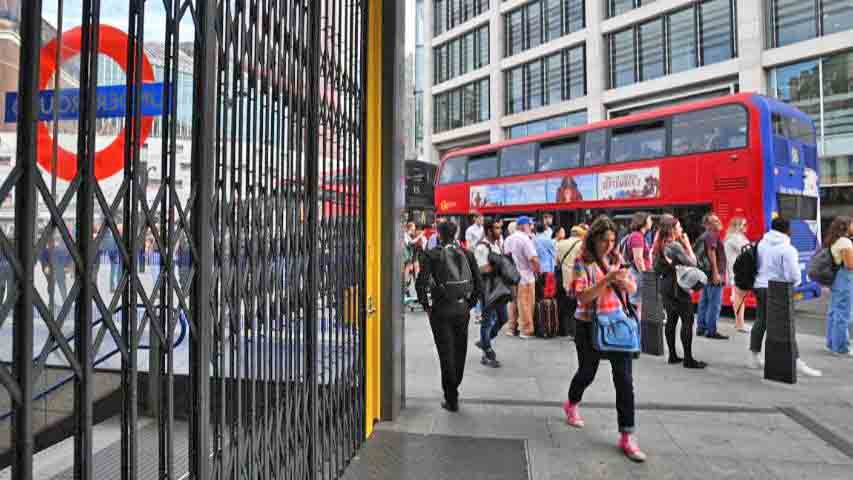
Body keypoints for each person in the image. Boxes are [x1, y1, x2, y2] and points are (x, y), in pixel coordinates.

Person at [563, 215, 646, 462]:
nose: (609, 245)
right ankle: (572, 402)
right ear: (594, 239)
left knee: (624, 379)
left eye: (612, 240)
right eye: (604, 240)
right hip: (588, 325)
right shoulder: (582, 262)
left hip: (617, 324)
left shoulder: (617, 259)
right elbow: (583, 297)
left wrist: (623, 282)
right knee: (587, 372)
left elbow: (632, 289)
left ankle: (627, 435)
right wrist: (607, 280)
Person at [416, 221, 483, 411]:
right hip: (462, 309)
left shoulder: (431, 254)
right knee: (460, 349)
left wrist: (426, 306)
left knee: (445, 353)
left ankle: (451, 397)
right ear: (456, 234)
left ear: (439, 234)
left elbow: (421, 283)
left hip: (440, 310)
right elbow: (479, 284)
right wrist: (469, 305)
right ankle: (455, 383)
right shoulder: (467, 254)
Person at [748, 217, 822, 376]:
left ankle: (754, 357)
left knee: (761, 321)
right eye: (791, 228)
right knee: (786, 326)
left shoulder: (762, 243)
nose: (793, 231)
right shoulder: (788, 249)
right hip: (778, 289)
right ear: (787, 230)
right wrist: (796, 284)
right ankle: (796, 362)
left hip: (760, 286)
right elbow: (794, 275)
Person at [653, 215, 706, 369]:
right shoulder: (674, 245)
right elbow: (693, 262)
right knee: (687, 320)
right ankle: (688, 359)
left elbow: (656, 269)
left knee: (671, 320)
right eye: (679, 227)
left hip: (666, 285)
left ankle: (672, 355)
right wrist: (687, 244)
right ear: (672, 229)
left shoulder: (659, 245)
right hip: (678, 286)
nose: (681, 229)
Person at [474, 218, 508, 367]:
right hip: (487, 289)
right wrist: (498, 265)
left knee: (503, 318)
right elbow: (480, 269)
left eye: (500, 228)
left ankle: (484, 341)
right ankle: (487, 352)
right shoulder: (481, 247)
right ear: (489, 230)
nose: (500, 231)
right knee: (487, 322)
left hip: (499, 288)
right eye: (497, 228)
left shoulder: (497, 244)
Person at [503, 216, 540, 338]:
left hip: (511, 276)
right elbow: (533, 259)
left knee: (513, 303)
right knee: (526, 303)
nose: (531, 227)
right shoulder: (525, 240)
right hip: (526, 277)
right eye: (530, 225)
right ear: (524, 226)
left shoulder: (508, 239)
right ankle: (525, 330)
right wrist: (537, 271)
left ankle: (511, 328)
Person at [696, 213, 729, 339]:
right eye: (713, 220)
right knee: (715, 303)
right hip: (714, 273)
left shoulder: (704, 235)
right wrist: (716, 272)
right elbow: (712, 253)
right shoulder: (711, 235)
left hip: (705, 273)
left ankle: (701, 328)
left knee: (703, 301)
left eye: (717, 219)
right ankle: (711, 330)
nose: (717, 221)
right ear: (707, 224)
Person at [825, 216, 853, 355]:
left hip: (837, 278)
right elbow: (850, 265)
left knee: (834, 311)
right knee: (843, 312)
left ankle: (832, 343)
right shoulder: (845, 242)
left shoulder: (834, 240)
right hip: (845, 277)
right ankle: (842, 347)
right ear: (845, 226)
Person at [555, 225, 586, 338]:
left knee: (565, 305)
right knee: (576, 305)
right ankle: (574, 332)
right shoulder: (582, 245)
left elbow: (557, 262)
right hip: (577, 278)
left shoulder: (560, 244)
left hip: (564, 278)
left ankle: (564, 330)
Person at [622, 212, 653, 318]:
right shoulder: (637, 237)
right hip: (638, 275)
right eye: (649, 220)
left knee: (638, 303)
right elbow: (638, 258)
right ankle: (637, 329)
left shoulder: (638, 236)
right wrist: (645, 275)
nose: (651, 222)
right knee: (637, 303)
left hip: (637, 274)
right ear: (643, 221)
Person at [724, 217, 751, 332]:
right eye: (743, 225)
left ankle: (738, 323)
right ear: (736, 226)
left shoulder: (731, 237)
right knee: (740, 299)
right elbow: (748, 250)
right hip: (739, 272)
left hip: (734, 271)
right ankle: (740, 324)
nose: (746, 227)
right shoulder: (736, 238)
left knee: (737, 298)